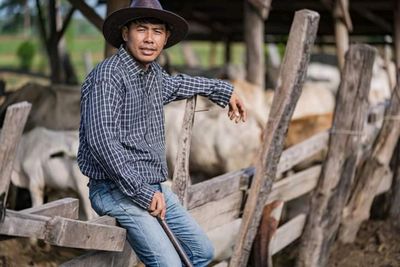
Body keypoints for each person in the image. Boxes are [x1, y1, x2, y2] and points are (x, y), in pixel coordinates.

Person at [77, 0, 247, 266]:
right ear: (125, 33)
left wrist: (224, 90)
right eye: (141, 29)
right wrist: (143, 193)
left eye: (157, 31)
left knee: (202, 253)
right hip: (115, 188)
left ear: (166, 38)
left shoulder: (153, 74)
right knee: (170, 265)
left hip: (152, 185)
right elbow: (102, 142)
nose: (149, 39)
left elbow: (178, 84)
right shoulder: (108, 76)